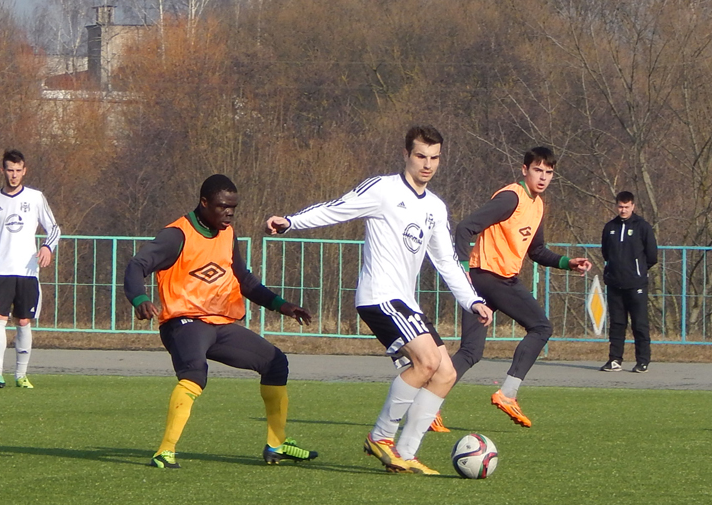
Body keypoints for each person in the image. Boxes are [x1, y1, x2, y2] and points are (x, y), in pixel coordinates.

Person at [266, 125, 493, 475]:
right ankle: (381, 437)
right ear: (406, 155)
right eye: (420, 156)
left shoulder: (435, 207)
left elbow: (446, 260)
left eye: (434, 158)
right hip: (380, 297)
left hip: (406, 303)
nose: (427, 164)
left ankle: (405, 453)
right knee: (426, 363)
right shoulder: (383, 189)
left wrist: (472, 300)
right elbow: (337, 208)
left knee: (445, 372)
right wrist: (291, 222)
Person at [124, 174, 317, 469]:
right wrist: (139, 298)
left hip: (219, 325)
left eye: (233, 208)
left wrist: (282, 305)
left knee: (275, 362)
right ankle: (165, 451)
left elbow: (244, 280)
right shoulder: (177, 234)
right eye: (222, 206)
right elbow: (137, 265)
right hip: (184, 322)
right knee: (195, 373)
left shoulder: (227, 234)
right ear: (204, 203)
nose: (229, 213)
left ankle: (276, 445)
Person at [451, 146, 592, 428]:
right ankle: (507, 394)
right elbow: (464, 227)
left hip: (484, 280)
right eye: (537, 170)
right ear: (524, 169)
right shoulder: (511, 198)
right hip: (492, 277)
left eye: (548, 172)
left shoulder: (537, 205)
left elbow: (537, 251)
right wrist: (462, 267)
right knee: (541, 327)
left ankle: (427, 403)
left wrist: (567, 262)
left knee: (471, 352)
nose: (543, 177)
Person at [0, 149, 61, 389]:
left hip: (27, 271)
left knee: (23, 321)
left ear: (24, 171)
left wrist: (47, 247)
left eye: (18, 170)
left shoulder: (35, 198)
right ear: (2, 170)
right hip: (0, 270)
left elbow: (54, 229)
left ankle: (21, 375)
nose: (13, 175)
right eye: (9, 170)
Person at [600, 191, 658, 373]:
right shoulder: (610, 227)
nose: (623, 210)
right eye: (620, 206)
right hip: (615, 284)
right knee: (617, 324)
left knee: (639, 324)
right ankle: (615, 359)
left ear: (633, 206)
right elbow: (606, 252)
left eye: (626, 207)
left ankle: (643, 361)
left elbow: (652, 256)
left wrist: (637, 271)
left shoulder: (643, 227)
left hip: (636, 285)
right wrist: (612, 271)